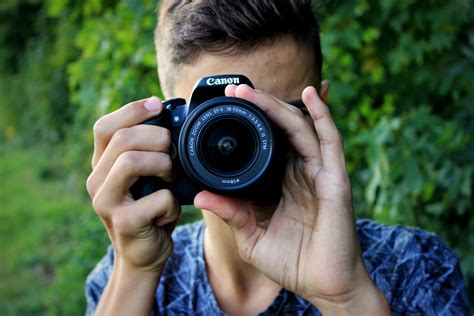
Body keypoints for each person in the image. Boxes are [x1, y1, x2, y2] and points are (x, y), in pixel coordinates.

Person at [84, 0, 470, 315]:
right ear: (172, 127)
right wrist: (135, 272)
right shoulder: (126, 280)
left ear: (320, 109)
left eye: (275, 116)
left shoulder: (416, 268)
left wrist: (347, 300)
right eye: (221, 117)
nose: (252, 143)